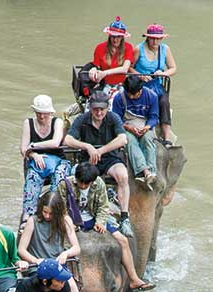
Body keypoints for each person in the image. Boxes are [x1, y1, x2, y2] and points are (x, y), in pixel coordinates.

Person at [18, 191, 99, 292]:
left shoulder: (66, 221)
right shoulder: (33, 221)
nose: (47, 216)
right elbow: (21, 250)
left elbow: (76, 248)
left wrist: (65, 253)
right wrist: (35, 261)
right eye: (45, 212)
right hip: (38, 268)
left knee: (72, 287)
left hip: (57, 267)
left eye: (50, 213)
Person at [57, 162, 155, 292]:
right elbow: (61, 208)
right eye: (81, 182)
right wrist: (69, 223)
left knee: (123, 240)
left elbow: (103, 206)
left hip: (92, 217)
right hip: (71, 220)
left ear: (92, 182)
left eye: (86, 184)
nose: (83, 186)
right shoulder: (65, 184)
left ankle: (134, 279)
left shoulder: (99, 184)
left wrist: (100, 222)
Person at [64, 90, 133, 238]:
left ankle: (124, 216)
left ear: (107, 108)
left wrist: (101, 150)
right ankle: (76, 212)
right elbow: (68, 140)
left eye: (102, 109)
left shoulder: (113, 118)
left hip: (109, 159)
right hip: (88, 161)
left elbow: (123, 139)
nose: (99, 112)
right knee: (77, 177)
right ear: (90, 108)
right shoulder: (82, 120)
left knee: (123, 175)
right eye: (95, 109)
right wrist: (87, 146)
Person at [20, 94, 70, 228]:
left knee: (59, 178)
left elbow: (55, 143)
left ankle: (55, 210)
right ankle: (28, 215)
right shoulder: (28, 123)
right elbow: (23, 149)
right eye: (39, 113)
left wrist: (33, 146)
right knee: (32, 177)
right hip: (37, 162)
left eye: (45, 114)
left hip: (59, 161)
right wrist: (34, 155)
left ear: (50, 112)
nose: (42, 117)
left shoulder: (57, 122)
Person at [130, 23, 177, 146]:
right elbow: (129, 68)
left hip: (157, 84)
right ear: (147, 38)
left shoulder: (165, 49)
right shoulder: (138, 49)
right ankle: (147, 132)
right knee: (148, 101)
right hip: (141, 85)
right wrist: (140, 75)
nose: (155, 41)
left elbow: (173, 68)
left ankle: (167, 138)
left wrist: (163, 73)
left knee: (164, 102)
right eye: (152, 38)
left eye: (158, 38)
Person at [112, 75, 159, 190]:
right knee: (130, 141)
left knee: (148, 139)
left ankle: (152, 171)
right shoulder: (119, 98)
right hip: (127, 127)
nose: (132, 97)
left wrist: (147, 127)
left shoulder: (151, 96)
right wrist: (129, 128)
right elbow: (116, 119)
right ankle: (145, 171)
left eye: (135, 94)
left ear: (141, 89)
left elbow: (154, 117)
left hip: (144, 126)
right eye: (130, 94)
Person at [88, 16, 134, 90]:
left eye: (118, 37)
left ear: (122, 37)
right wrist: (93, 71)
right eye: (113, 36)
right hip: (103, 84)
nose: (115, 40)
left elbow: (125, 69)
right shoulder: (100, 47)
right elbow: (95, 66)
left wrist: (105, 73)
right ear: (109, 35)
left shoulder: (128, 47)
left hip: (121, 85)